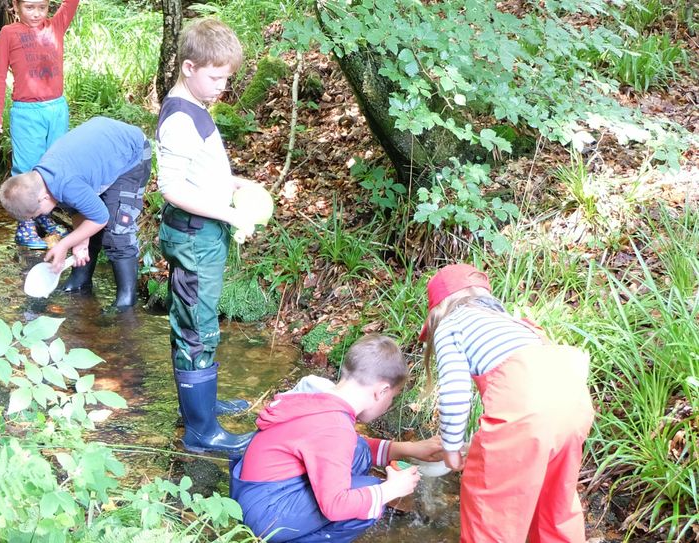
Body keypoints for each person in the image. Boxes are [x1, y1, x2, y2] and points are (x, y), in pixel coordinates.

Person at [419, 263, 594, 542]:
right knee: (554, 504)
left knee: (490, 516)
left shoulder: (451, 324)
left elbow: (455, 393)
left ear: (438, 310)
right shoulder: (514, 322)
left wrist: (451, 449)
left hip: (526, 411)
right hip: (574, 405)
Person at [155, 18, 264, 454]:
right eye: (215, 77)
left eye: (227, 77)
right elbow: (172, 187)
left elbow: (198, 170)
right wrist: (230, 214)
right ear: (188, 67)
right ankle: (201, 431)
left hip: (203, 231)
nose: (222, 86)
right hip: (196, 236)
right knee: (197, 327)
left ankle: (200, 406)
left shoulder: (195, 107)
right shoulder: (181, 118)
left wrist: (232, 184)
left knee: (194, 320)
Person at [230, 334, 444, 542]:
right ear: (382, 391)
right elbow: (335, 505)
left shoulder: (321, 398)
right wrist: (391, 489)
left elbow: (347, 447)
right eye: (392, 398)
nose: (389, 405)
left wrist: (411, 449)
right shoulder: (334, 427)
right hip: (266, 514)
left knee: (358, 449)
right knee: (368, 501)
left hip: (254, 492)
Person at [0, 116, 151, 309]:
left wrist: (64, 245)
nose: (39, 217)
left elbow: (99, 217)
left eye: (37, 215)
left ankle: (126, 300)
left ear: (43, 199)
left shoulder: (66, 183)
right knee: (85, 231)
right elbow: (79, 210)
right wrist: (80, 243)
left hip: (131, 155)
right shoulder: (43, 180)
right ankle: (81, 280)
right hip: (102, 153)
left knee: (117, 230)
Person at [0, 0, 79, 249]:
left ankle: (43, 216)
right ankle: (25, 226)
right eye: (29, 7)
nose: (36, 13)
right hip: (26, 111)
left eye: (42, 7)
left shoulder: (56, 25)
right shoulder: (10, 33)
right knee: (27, 168)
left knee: (53, 165)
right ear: (16, 6)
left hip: (56, 109)